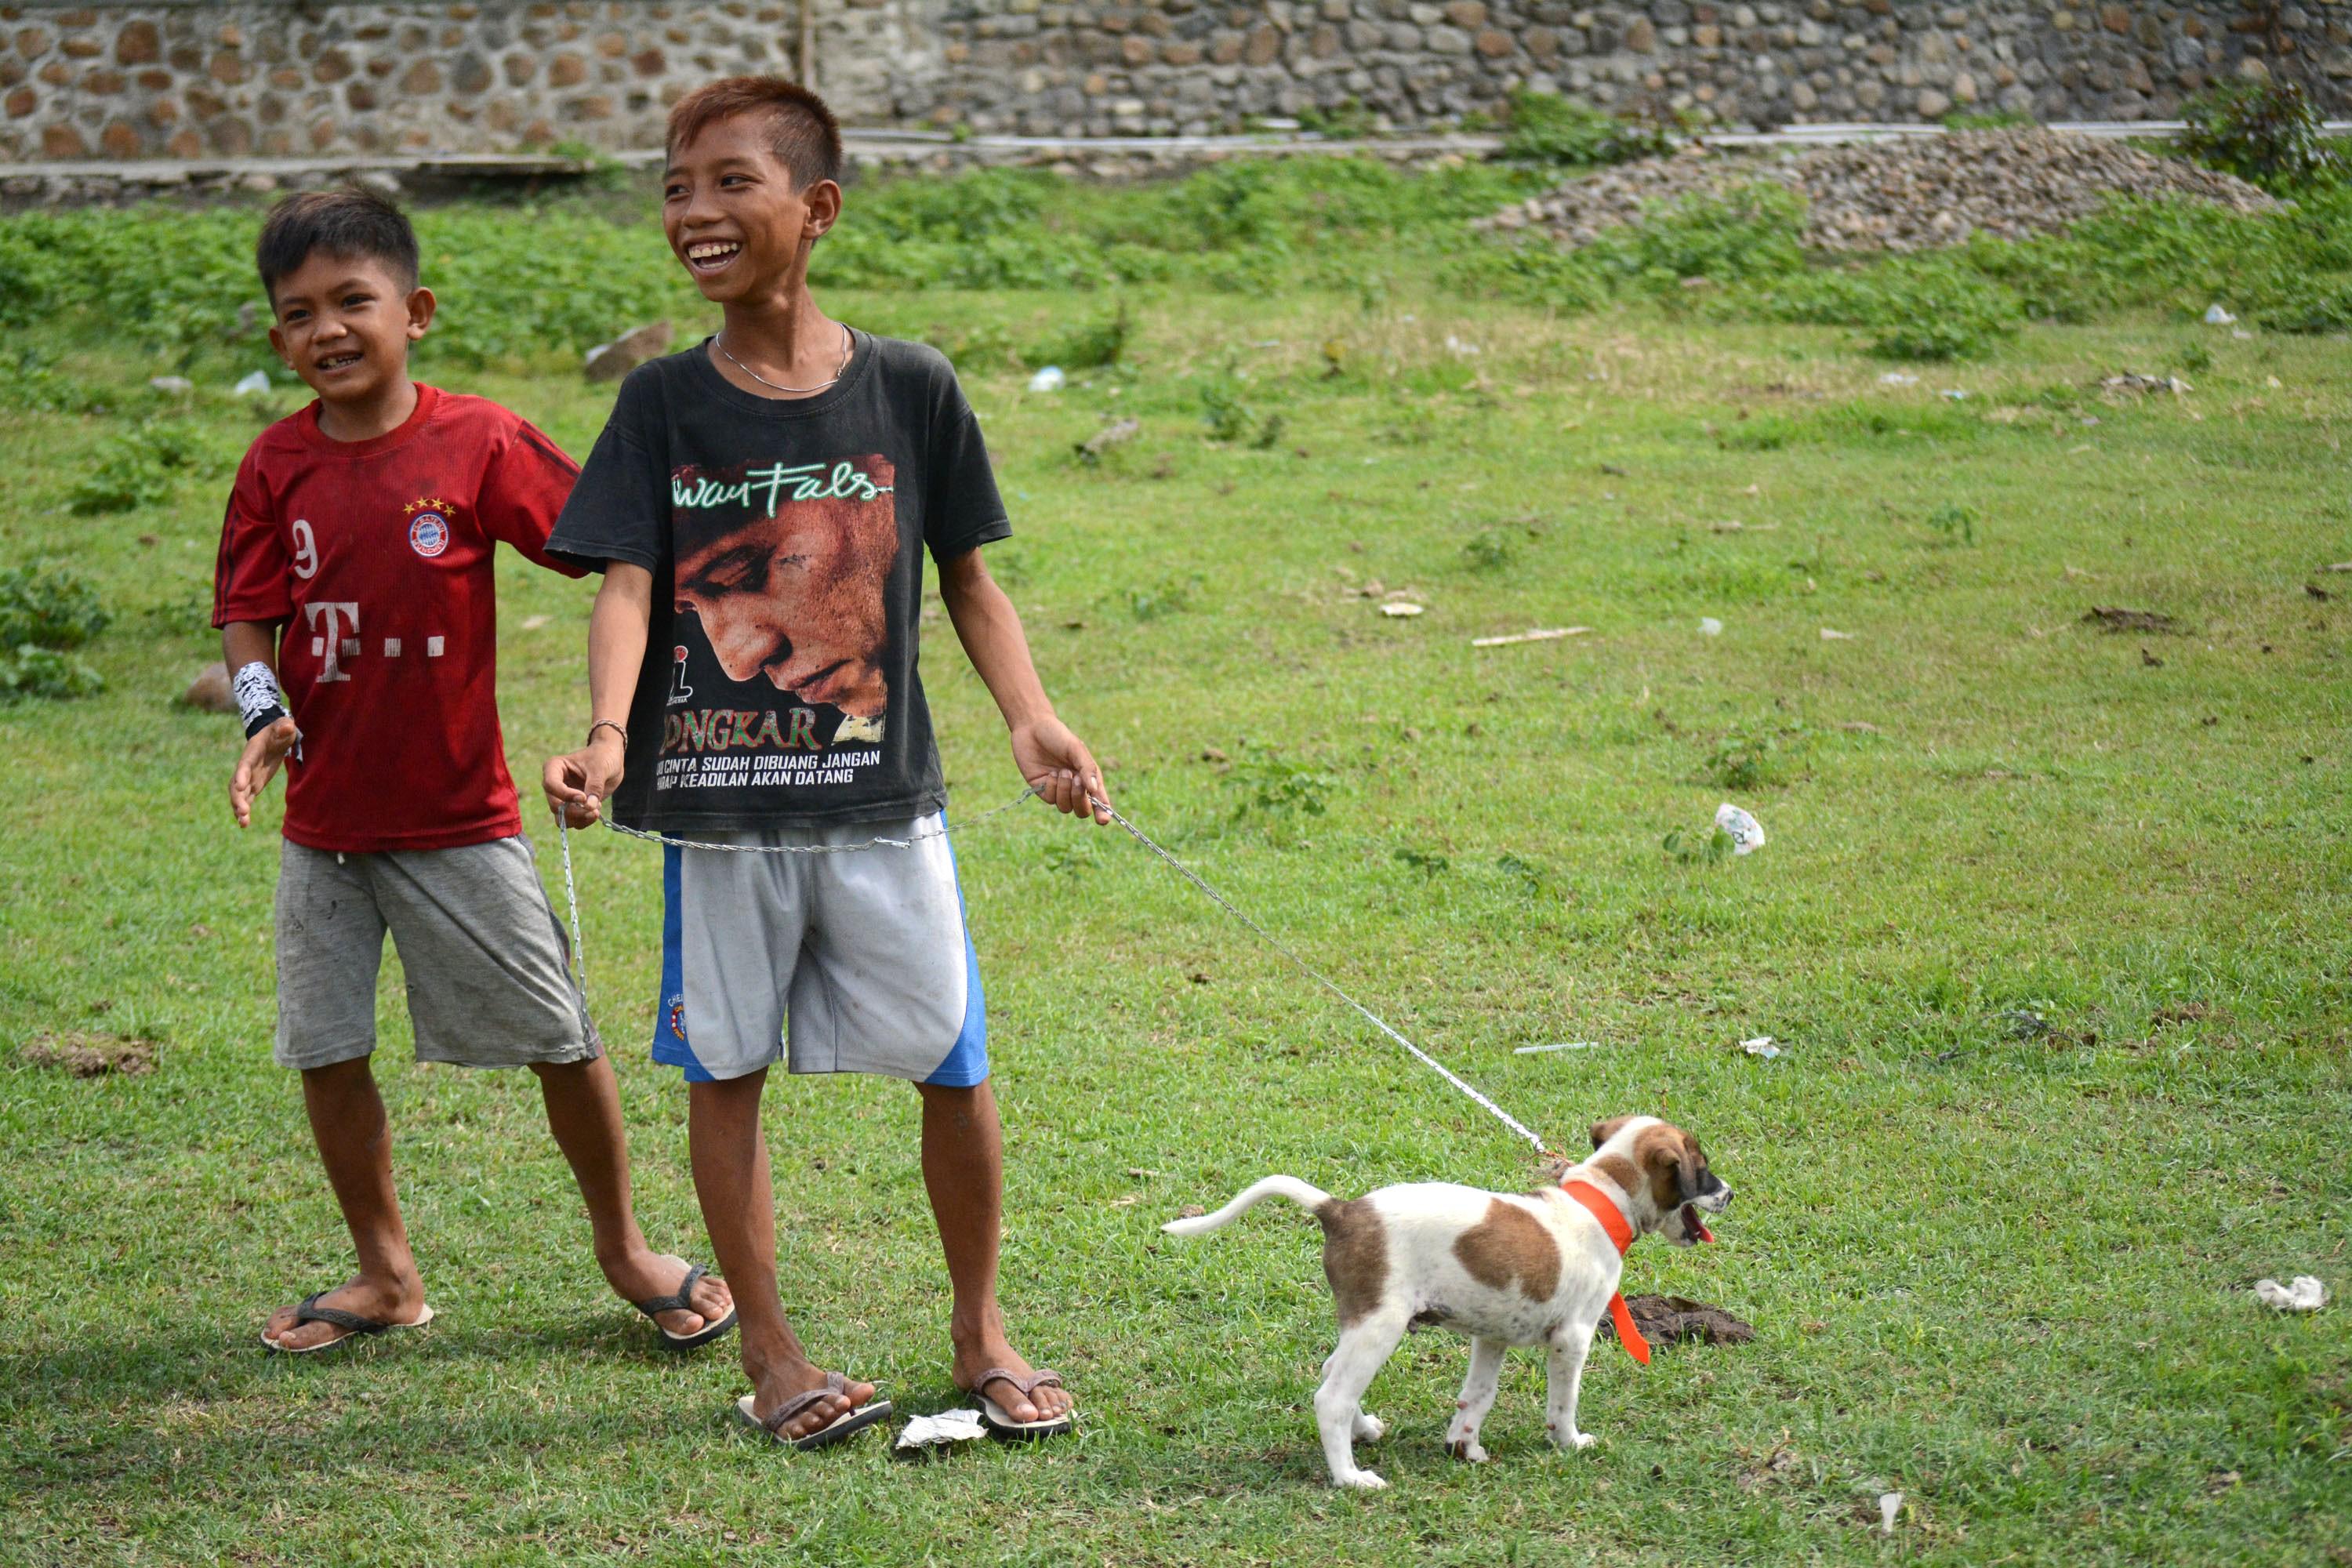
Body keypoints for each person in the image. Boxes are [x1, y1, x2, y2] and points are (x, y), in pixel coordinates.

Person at [541, 76, 1107, 1449]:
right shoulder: (666, 402)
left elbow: (966, 580)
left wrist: (1030, 718)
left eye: (733, 182)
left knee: (955, 1064)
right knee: (722, 1069)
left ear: (817, 208)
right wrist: (611, 737)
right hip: (719, 814)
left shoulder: (909, 386)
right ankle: (776, 1356)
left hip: (881, 802)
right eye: (677, 187)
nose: (696, 211)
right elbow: (626, 585)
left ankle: (980, 1328)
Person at [213, 188, 735, 1354]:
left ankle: (625, 1247)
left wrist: (613, 729)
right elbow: (251, 614)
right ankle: (386, 1274)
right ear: (276, 339)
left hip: (462, 821)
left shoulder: (478, 442)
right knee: (326, 1049)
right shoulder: (274, 464)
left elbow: (612, 549)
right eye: (299, 315)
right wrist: (263, 709)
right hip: (325, 831)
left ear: (417, 310)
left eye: (355, 301)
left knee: (560, 1036)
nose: (329, 331)